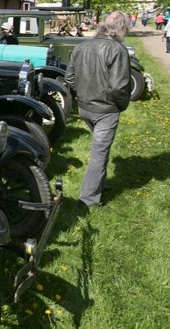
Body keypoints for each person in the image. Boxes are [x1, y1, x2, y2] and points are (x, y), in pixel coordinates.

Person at [64, 11, 131, 209]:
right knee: (99, 154)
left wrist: (84, 94)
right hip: (104, 110)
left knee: (101, 150)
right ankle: (88, 200)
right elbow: (119, 87)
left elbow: (69, 78)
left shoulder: (82, 46)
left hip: (85, 108)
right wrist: (122, 104)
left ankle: (98, 184)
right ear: (122, 28)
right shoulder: (117, 49)